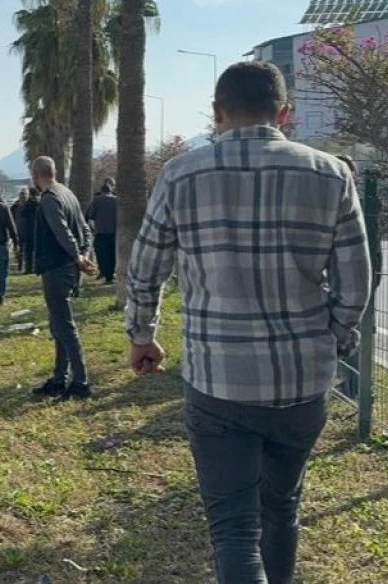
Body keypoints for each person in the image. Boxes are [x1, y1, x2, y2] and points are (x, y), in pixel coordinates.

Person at [125, 61, 372, 584]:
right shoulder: (330, 173)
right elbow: (355, 283)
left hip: (219, 383)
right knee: (281, 508)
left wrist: (142, 336)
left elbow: (146, 268)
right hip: (304, 382)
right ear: (286, 114)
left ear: (217, 115)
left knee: (234, 530)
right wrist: (331, 339)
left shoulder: (181, 174)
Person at [30, 156, 97, 400]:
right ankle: (60, 378)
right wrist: (84, 255)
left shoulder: (49, 198)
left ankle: (80, 381)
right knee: (58, 325)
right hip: (70, 267)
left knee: (65, 327)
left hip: (57, 267)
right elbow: (86, 229)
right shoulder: (67, 193)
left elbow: (62, 231)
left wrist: (79, 257)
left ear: (35, 175)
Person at [86, 179, 118, 284]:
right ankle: (111, 274)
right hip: (113, 232)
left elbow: (91, 218)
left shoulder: (96, 200)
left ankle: (104, 272)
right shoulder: (116, 200)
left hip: (100, 232)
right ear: (110, 190)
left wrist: (93, 230)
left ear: (102, 191)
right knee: (112, 253)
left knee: (101, 254)